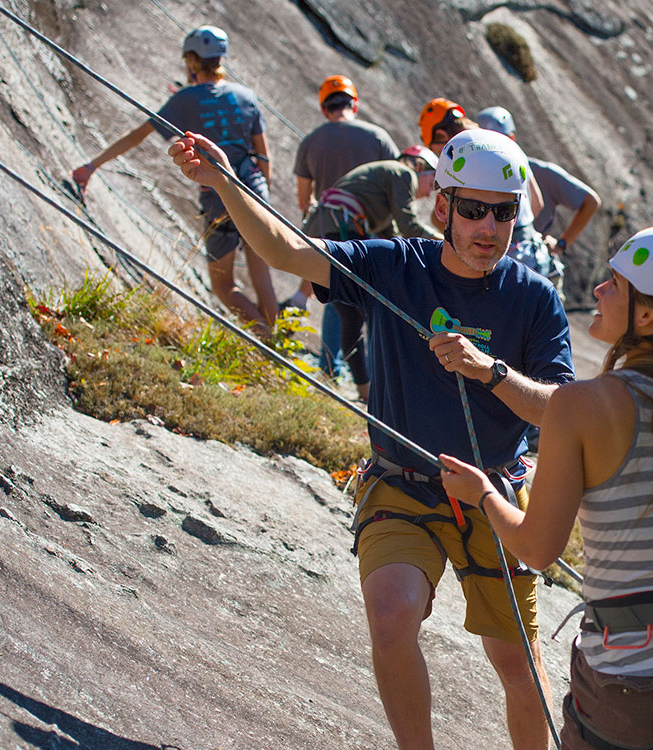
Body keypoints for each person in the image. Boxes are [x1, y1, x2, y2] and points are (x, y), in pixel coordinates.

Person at [167, 127, 574, 749]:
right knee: (390, 619)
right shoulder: (394, 264)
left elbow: (555, 411)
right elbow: (287, 251)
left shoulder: (535, 301)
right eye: (472, 209)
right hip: (400, 485)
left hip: (492, 493)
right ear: (443, 205)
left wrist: (488, 370)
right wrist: (224, 181)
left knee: (515, 664)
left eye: (503, 212)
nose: (488, 227)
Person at [440, 225, 653, 748]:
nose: (598, 291)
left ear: (646, 315)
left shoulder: (579, 406)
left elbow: (537, 547)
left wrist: (484, 494)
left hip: (628, 673)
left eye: (614, 285)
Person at [72, 26, 276, 334]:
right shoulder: (246, 96)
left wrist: (92, 165)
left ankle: (265, 339)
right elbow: (264, 156)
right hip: (255, 189)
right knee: (262, 273)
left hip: (219, 197)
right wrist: (264, 195)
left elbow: (138, 135)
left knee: (223, 285)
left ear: (192, 61)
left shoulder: (185, 100)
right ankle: (279, 350)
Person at [301, 145, 443, 401]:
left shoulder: (381, 187)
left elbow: (393, 242)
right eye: (432, 183)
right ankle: (368, 389)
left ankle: (364, 389)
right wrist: (444, 243)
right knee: (358, 313)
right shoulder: (403, 173)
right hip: (340, 227)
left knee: (351, 314)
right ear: (419, 166)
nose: (428, 194)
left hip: (326, 228)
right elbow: (409, 227)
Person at [284, 74, 400, 311]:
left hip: (329, 231)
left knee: (337, 299)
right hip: (371, 234)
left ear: (325, 109)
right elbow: (398, 183)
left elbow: (304, 200)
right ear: (354, 105)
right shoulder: (378, 137)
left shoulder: (310, 142)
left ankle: (299, 305)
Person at [418, 99, 550, 281]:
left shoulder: (463, 155)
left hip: (501, 257)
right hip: (529, 249)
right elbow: (538, 203)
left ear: (441, 135)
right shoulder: (508, 146)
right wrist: (506, 217)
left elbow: (440, 216)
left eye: (436, 151)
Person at [478, 106, 600, 282]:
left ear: (512, 139)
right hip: (521, 261)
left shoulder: (542, 172)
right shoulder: (483, 178)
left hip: (532, 263)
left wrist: (562, 244)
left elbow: (590, 201)